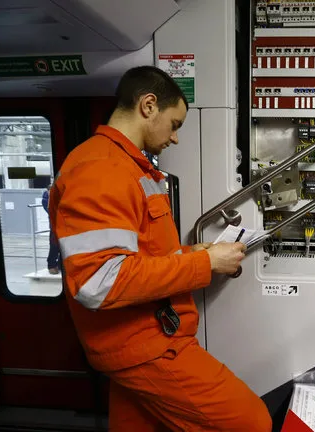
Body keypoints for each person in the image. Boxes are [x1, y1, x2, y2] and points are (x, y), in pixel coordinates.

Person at [49, 66, 272, 431]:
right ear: (148, 105)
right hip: (143, 346)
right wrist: (203, 263)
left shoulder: (128, 167)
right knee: (251, 422)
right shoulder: (101, 168)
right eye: (176, 124)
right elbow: (99, 282)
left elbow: (141, 261)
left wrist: (198, 256)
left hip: (139, 341)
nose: (176, 138)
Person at [41, 183, 61, 274]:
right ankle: (51, 265)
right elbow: (52, 211)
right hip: (55, 226)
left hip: (61, 225)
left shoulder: (53, 198)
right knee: (54, 246)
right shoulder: (47, 199)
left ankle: (59, 264)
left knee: (61, 246)